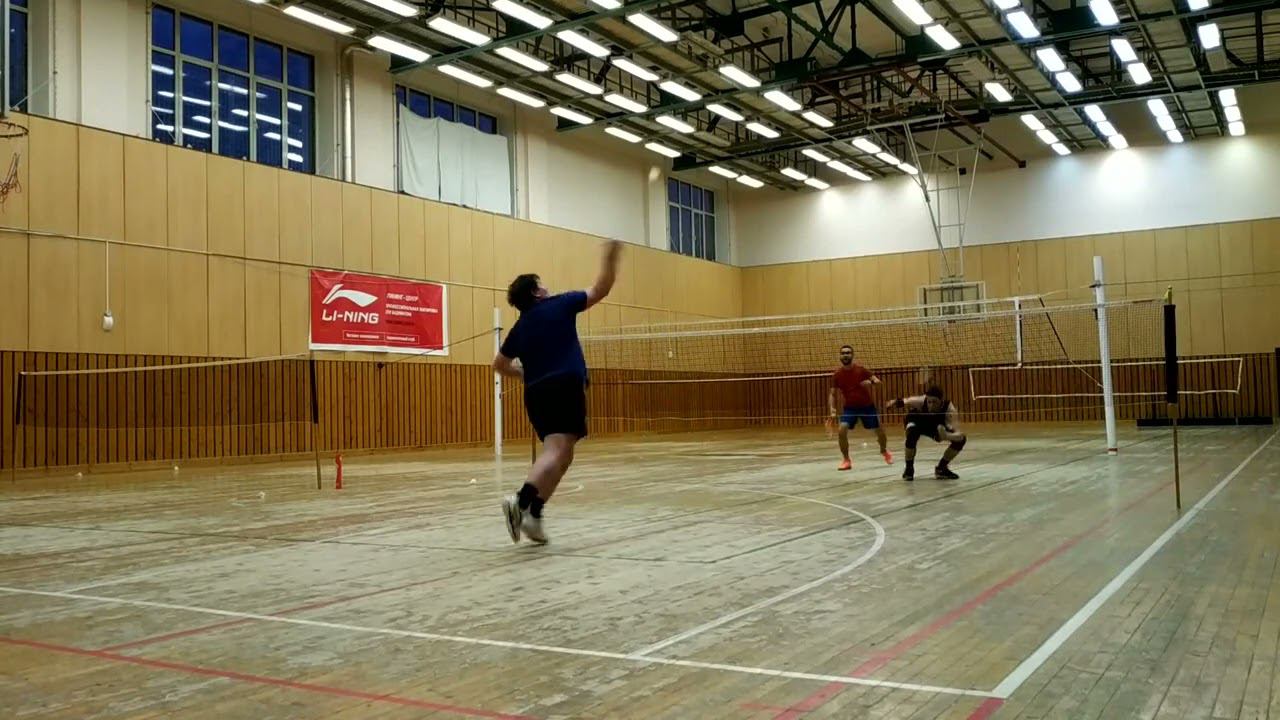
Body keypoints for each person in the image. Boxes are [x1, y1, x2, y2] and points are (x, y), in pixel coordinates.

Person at [492, 239, 622, 544]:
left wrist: (521, 373)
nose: (546, 287)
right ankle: (521, 501)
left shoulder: (520, 327)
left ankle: (534, 515)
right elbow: (601, 289)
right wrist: (611, 257)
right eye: (541, 284)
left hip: (536, 394)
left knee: (563, 453)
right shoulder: (559, 304)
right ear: (537, 292)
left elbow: (499, 364)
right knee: (557, 451)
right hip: (564, 386)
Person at [829, 345, 892, 471]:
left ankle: (884, 451)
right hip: (850, 408)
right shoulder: (837, 375)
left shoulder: (861, 370)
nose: (845, 355)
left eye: (848, 353)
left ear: (852, 355)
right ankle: (846, 460)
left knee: (880, 431)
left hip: (867, 407)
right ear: (840, 356)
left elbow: (878, 383)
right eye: (843, 353)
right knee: (842, 430)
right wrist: (832, 408)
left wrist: (871, 383)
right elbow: (832, 393)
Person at [885, 385, 966, 481]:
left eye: (934, 402)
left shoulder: (949, 410)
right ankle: (909, 468)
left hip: (934, 425)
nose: (931, 405)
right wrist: (893, 403)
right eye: (929, 402)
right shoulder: (921, 400)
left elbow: (959, 435)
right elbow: (904, 401)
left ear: (941, 401)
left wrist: (946, 436)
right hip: (916, 420)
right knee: (911, 435)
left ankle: (941, 468)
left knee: (961, 441)